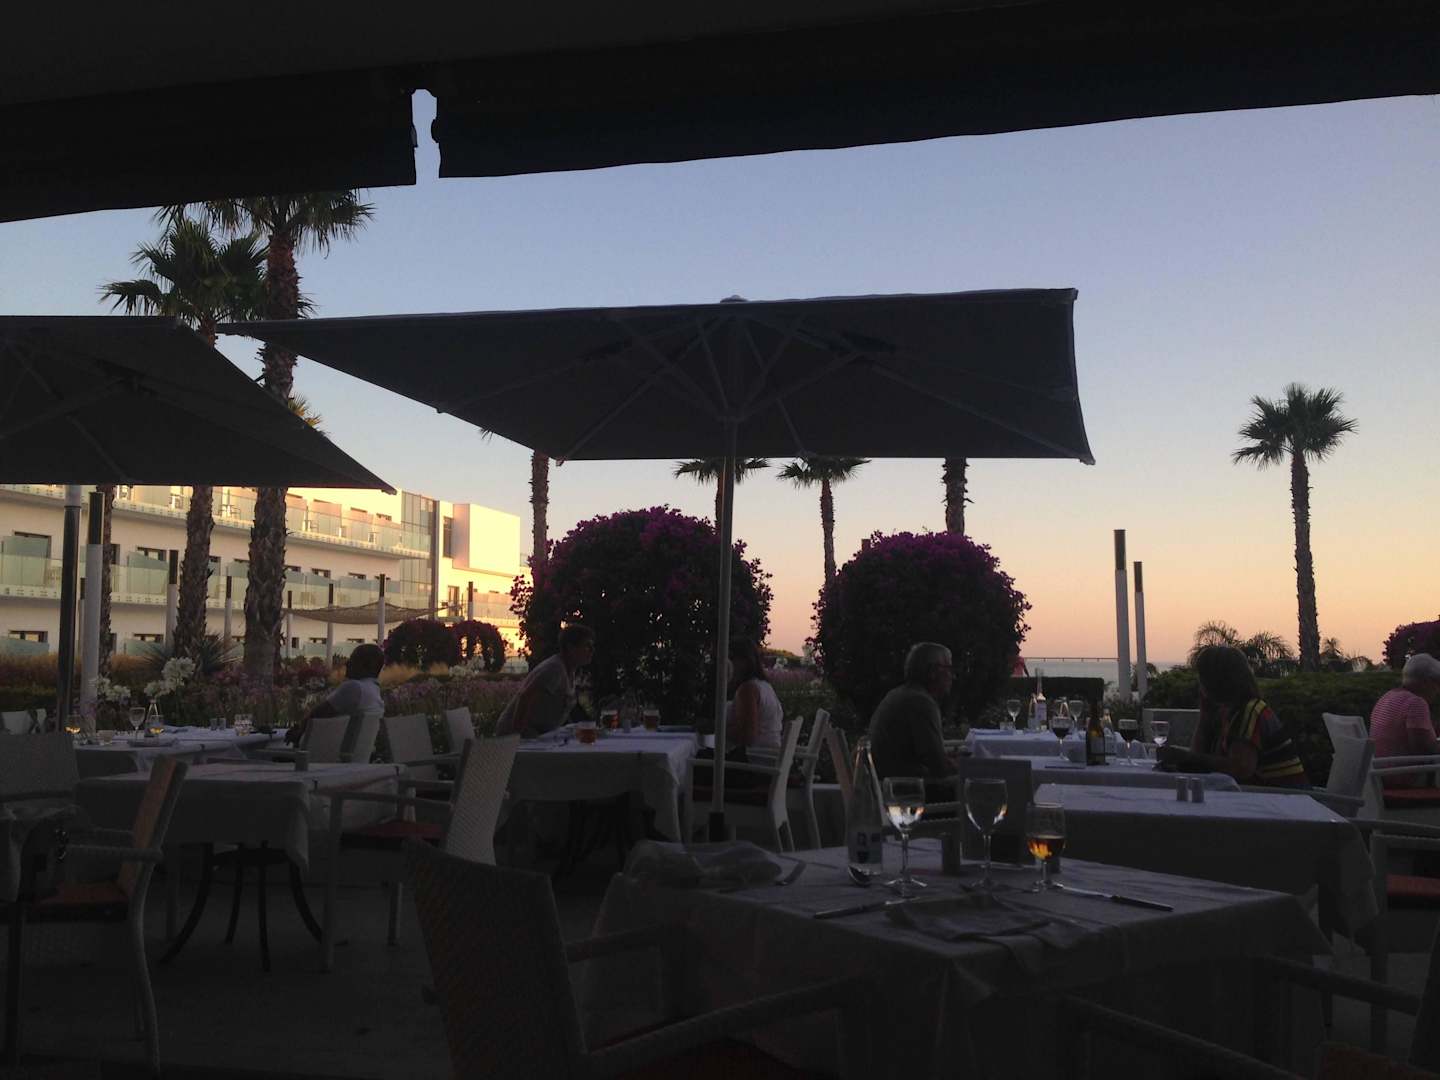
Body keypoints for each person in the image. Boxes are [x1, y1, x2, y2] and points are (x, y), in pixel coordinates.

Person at [1159, 644, 1308, 786]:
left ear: (1217, 681)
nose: (1200, 684)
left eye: (1203, 678)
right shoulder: (1228, 712)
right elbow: (1200, 756)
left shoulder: (1250, 711)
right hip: (1259, 794)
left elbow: (1240, 768)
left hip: (1282, 797)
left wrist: (1187, 757)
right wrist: (1204, 718)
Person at [868, 642, 958, 782]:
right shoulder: (921, 703)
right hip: (906, 789)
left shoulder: (897, 694)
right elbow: (939, 768)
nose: (953, 676)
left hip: (885, 783)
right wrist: (964, 765)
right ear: (933, 672)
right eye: (949, 668)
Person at [495, 624, 595, 738]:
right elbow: (525, 697)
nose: (592, 650)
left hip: (538, 734)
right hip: (518, 735)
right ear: (570, 648)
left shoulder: (569, 670)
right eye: (587, 646)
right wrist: (517, 735)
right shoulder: (555, 669)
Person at [285, 643, 385, 746]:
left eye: (353, 659)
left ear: (365, 665)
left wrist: (298, 732)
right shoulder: (373, 689)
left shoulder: (354, 687)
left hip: (323, 753)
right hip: (349, 752)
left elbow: (317, 714)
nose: (347, 663)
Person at [1369, 653, 1440, 787]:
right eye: (1438, 683)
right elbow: (1423, 750)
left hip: (1381, 774)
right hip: (1405, 777)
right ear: (1427, 682)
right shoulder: (1416, 703)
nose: (1438, 691)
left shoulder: (1388, 697)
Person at [724, 637, 784, 752]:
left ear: (744, 661)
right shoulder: (765, 686)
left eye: (730, 658)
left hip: (752, 759)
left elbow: (747, 736)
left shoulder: (748, 690)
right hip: (768, 756)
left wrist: (717, 728)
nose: (726, 664)